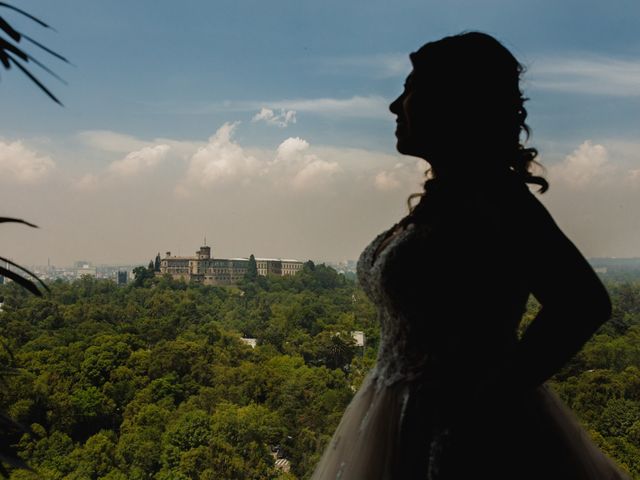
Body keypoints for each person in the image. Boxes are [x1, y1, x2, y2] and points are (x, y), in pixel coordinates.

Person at [311, 32, 631, 480]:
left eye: (410, 89)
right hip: (397, 413)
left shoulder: (495, 197)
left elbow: (583, 303)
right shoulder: (452, 196)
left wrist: (487, 401)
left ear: (453, 102)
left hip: (464, 437)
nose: (394, 105)